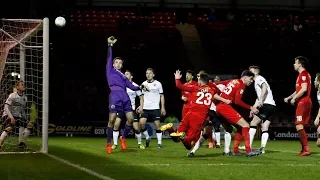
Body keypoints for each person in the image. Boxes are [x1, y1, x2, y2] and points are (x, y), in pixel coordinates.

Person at [161, 70, 231, 152]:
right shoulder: (212, 91)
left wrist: (177, 78)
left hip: (189, 114)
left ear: (200, 82)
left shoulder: (195, 88)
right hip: (199, 118)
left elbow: (179, 85)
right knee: (189, 145)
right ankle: (182, 136)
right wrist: (225, 100)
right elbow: (217, 93)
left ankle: (170, 129)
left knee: (176, 137)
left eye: (198, 80)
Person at [105, 36, 142, 154]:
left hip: (124, 96)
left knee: (131, 120)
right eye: (116, 62)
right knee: (112, 119)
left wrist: (140, 87)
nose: (118, 64)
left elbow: (131, 86)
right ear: (113, 64)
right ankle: (108, 144)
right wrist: (110, 46)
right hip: (115, 95)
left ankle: (123, 138)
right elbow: (109, 57)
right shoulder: (110, 70)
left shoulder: (124, 76)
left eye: (120, 63)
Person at [215, 70, 260, 157]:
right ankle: (248, 151)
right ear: (245, 78)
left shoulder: (233, 81)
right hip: (225, 107)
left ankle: (235, 151)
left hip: (220, 107)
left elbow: (220, 83)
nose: (252, 81)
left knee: (240, 127)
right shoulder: (241, 85)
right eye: (251, 79)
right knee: (246, 125)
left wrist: (215, 83)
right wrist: (251, 108)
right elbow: (238, 101)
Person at [239, 66, 276, 154]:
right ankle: (262, 148)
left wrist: (261, 101)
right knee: (265, 127)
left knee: (253, 123)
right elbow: (258, 98)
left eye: (250, 71)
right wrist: (253, 108)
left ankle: (248, 146)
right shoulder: (256, 82)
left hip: (266, 105)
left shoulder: (259, 78)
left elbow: (264, 88)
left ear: (255, 72)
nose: (249, 72)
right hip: (272, 106)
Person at [284, 56, 312, 156]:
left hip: (303, 102)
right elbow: (299, 90)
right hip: (304, 101)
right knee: (300, 125)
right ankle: (303, 149)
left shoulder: (303, 74)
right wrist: (289, 97)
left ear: (300, 64)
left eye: (295, 63)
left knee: (299, 125)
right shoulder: (302, 75)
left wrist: (294, 98)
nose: (294, 64)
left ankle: (306, 149)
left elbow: (304, 89)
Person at [112, 70, 145, 150]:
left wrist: (141, 107)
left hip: (131, 109)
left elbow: (141, 97)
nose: (125, 75)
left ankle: (139, 143)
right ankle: (115, 144)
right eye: (124, 74)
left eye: (127, 74)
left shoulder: (134, 85)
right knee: (116, 125)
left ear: (131, 76)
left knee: (136, 128)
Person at [137, 68, 166, 148]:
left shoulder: (158, 84)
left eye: (150, 73)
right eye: (147, 73)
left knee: (157, 125)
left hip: (155, 108)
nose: (148, 75)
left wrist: (162, 107)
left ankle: (159, 143)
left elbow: (162, 96)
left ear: (153, 75)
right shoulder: (143, 84)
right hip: (145, 107)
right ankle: (147, 137)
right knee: (141, 123)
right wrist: (140, 107)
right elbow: (141, 97)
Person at [0, 81, 32, 150]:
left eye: (24, 85)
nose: (23, 86)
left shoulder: (24, 98)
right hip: (7, 115)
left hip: (17, 117)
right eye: (21, 85)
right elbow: (6, 106)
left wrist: (25, 119)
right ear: (17, 87)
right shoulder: (12, 95)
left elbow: (22, 110)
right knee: (10, 127)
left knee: (29, 125)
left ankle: (22, 143)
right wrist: (11, 117)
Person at [313, 73, 320, 147]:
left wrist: (318, 117)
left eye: (315, 79)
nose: (314, 81)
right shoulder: (318, 92)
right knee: (318, 143)